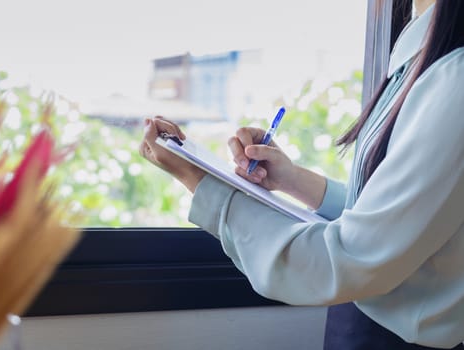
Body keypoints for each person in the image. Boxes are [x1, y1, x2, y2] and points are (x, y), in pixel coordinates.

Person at [140, 0, 464, 348]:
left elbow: (347, 261)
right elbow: (386, 219)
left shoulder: (455, 81)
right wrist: (290, 178)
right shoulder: (422, 54)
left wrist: (201, 184)